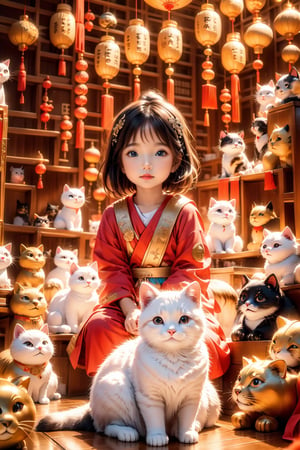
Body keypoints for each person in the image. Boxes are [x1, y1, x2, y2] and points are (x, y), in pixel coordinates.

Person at [69, 90, 230, 379]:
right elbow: (111, 270)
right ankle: (116, 395)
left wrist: (156, 310)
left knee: (201, 340)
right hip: (127, 305)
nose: (146, 164)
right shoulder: (112, 216)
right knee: (99, 328)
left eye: (159, 152)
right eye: (133, 153)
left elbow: (191, 270)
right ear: (119, 160)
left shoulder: (185, 212)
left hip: (175, 309)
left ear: (176, 157)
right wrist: (132, 310)